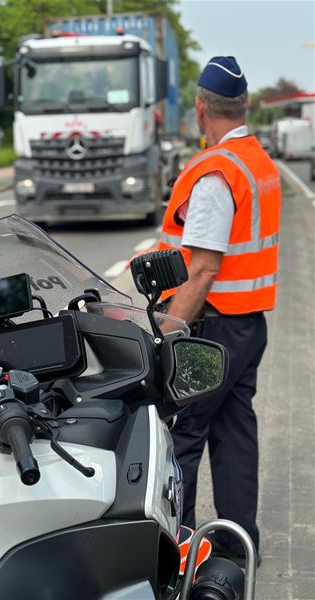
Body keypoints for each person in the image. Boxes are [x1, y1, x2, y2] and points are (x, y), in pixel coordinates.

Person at [158, 56, 281, 566]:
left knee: (182, 432)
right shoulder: (257, 161)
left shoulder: (214, 174)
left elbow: (203, 268)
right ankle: (236, 547)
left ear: (201, 108)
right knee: (235, 432)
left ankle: (178, 552)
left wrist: (169, 327)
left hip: (212, 328)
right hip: (249, 324)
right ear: (245, 105)